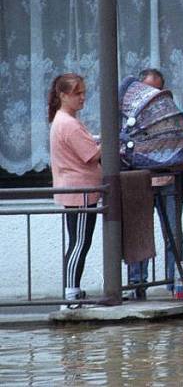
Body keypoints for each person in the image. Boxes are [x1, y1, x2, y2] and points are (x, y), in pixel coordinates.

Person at [127, 68, 183, 298]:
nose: (153, 95)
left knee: (173, 234)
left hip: (171, 179)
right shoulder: (129, 116)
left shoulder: (174, 114)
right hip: (139, 180)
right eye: (149, 89)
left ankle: (175, 284)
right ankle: (136, 284)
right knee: (138, 234)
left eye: (157, 90)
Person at [48, 73, 102, 307]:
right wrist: (111, 141)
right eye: (77, 93)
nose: (82, 98)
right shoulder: (68, 123)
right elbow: (91, 154)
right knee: (79, 242)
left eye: (83, 92)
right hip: (79, 190)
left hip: (79, 188)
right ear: (63, 95)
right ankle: (70, 294)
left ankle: (73, 289)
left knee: (79, 240)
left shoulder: (64, 120)